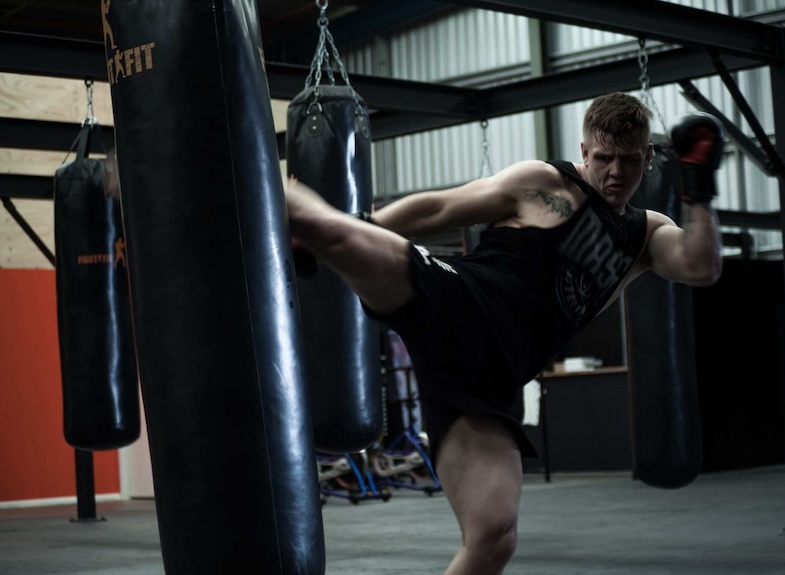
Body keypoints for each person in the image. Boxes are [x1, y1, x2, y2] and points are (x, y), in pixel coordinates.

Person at [286, 91, 724, 575]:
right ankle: (238, 158)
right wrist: (365, 228)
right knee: (334, 232)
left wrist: (698, 189)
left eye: (628, 160)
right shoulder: (542, 183)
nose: (615, 172)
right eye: (603, 158)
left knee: (493, 537)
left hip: (489, 380)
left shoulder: (645, 234)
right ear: (584, 153)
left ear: (647, 159)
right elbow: (438, 208)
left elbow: (699, 266)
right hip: (454, 302)